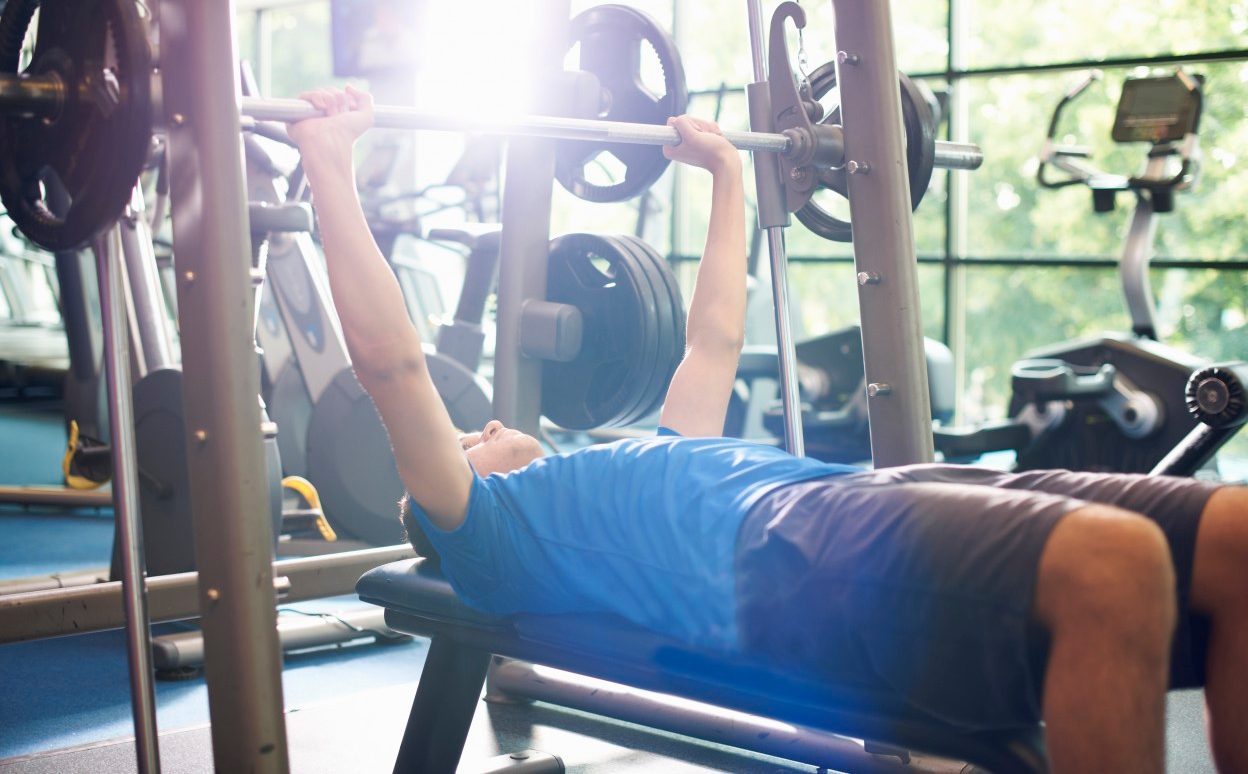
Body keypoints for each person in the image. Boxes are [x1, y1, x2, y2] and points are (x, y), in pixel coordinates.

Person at [287, 86, 1248, 773]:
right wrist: (330, 164)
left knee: (1236, 534)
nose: (487, 421)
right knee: (1111, 564)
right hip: (780, 558)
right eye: (464, 438)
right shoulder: (486, 529)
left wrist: (723, 172)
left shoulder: (650, 458)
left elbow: (713, 337)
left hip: (849, 497)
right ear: (435, 498)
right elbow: (392, 363)